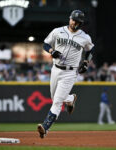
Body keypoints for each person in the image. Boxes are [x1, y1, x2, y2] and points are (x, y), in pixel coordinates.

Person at [37, 10, 94, 138]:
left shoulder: (84, 37)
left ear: (81, 23)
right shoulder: (58, 31)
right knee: (54, 98)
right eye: (73, 19)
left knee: (57, 102)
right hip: (56, 69)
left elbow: (91, 49)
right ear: (69, 19)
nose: (74, 22)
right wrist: (52, 51)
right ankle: (70, 99)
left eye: (77, 21)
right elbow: (45, 44)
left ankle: (45, 128)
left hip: (70, 72)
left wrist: (86, 62)